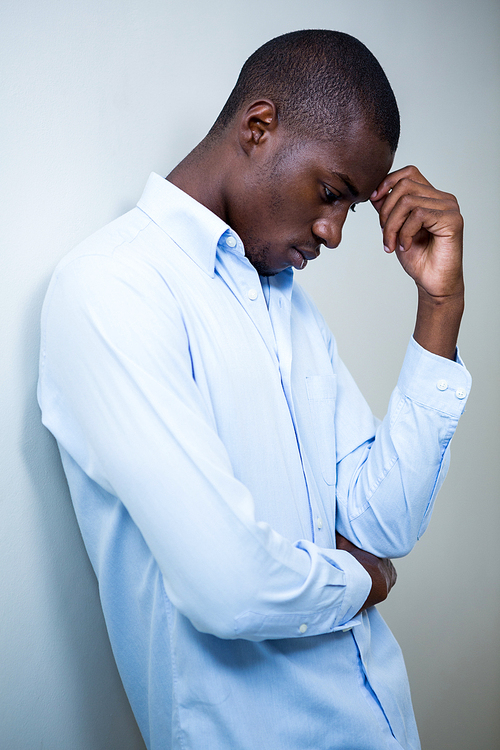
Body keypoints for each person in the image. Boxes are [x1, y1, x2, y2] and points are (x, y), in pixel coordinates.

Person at [38, 29, 471, 750]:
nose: (334, 234)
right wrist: (362, 584)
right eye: (330, 193)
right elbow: (228, 585)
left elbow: (382, 524)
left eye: (352, 208)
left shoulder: (285, 301)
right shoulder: (112, 290)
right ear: (259, 127)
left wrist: (440, 310)